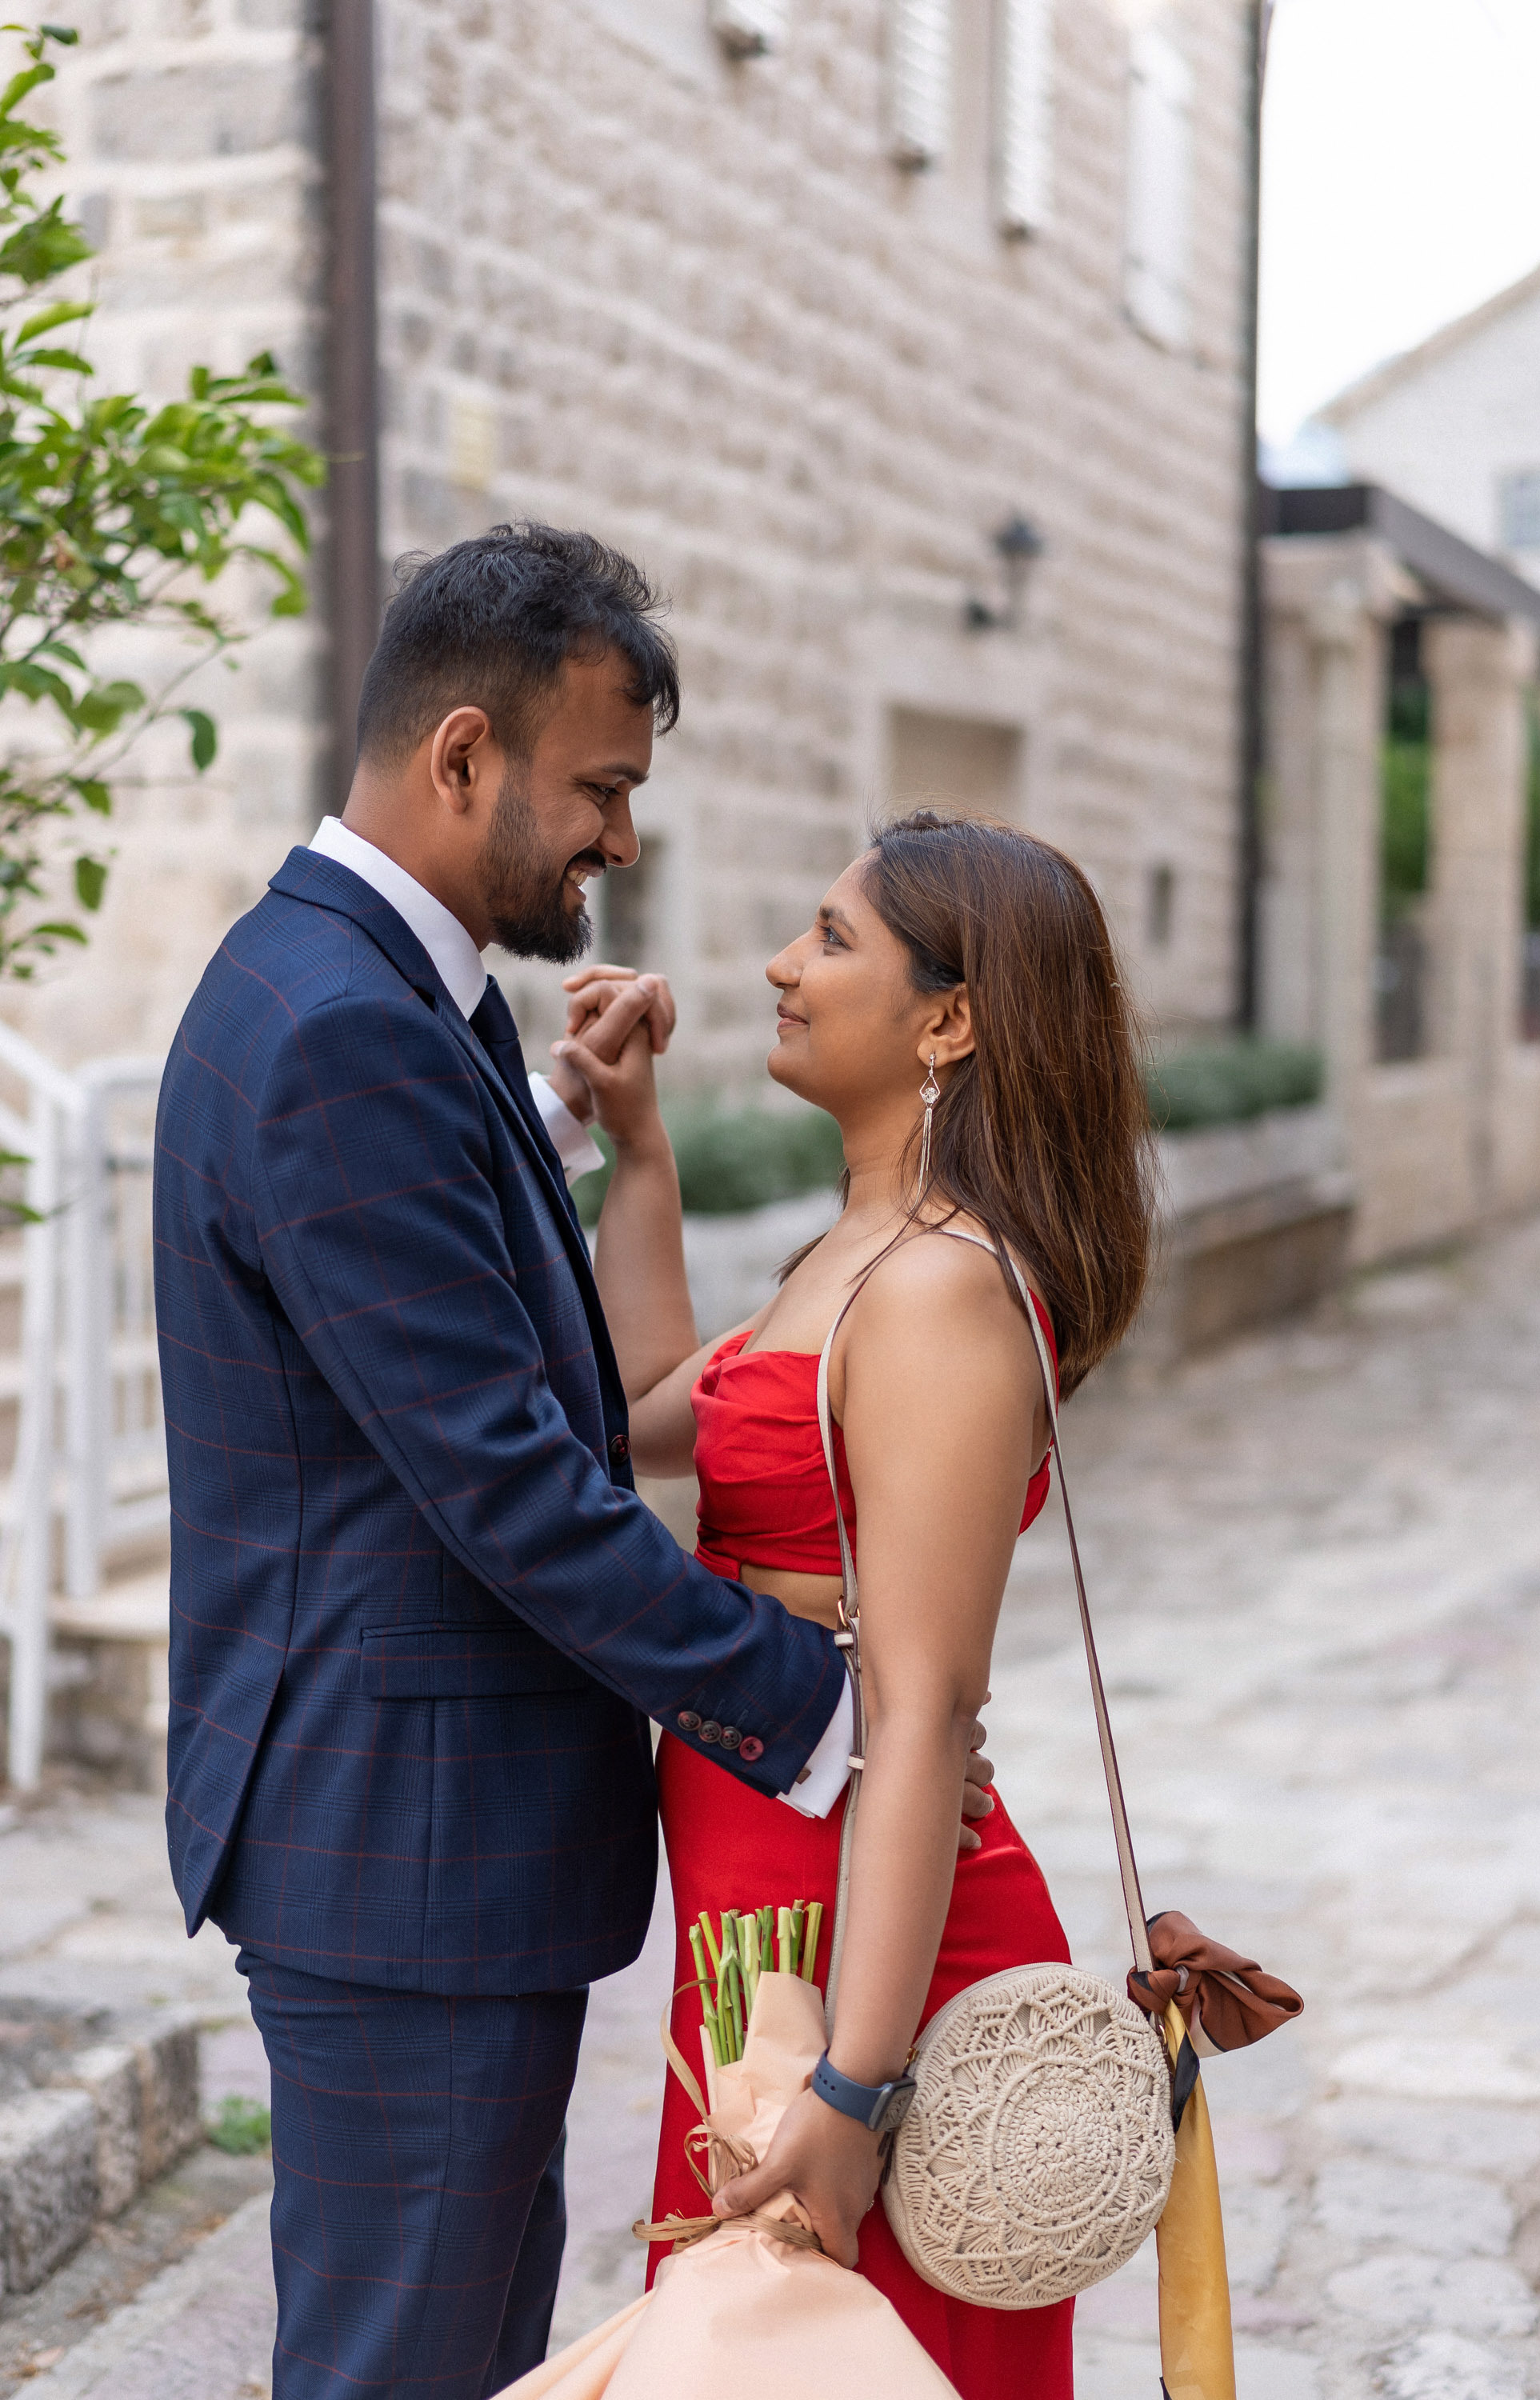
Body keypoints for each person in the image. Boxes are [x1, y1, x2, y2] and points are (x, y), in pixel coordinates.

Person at [153, 525, 894, 2400]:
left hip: (416, 1833)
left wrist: (569, 1115)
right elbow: (505, 1483)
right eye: (600, 791)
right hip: (405, 1843)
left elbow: (427, 1279)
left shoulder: (376, 987)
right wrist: (818, 1712)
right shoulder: (342, 1030)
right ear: (462, 755)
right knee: (409, 2366)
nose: (621, 845)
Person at [556, 809, 1154, 2399]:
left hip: (875, 1953)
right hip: (773, 1900)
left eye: (829, 939)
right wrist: (644, 1148)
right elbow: (642, 1407)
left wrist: (855, 2093)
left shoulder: (946, 1286)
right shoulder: (859, 1247)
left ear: (948, 1020)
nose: (778, 966)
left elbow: (922, 1710)